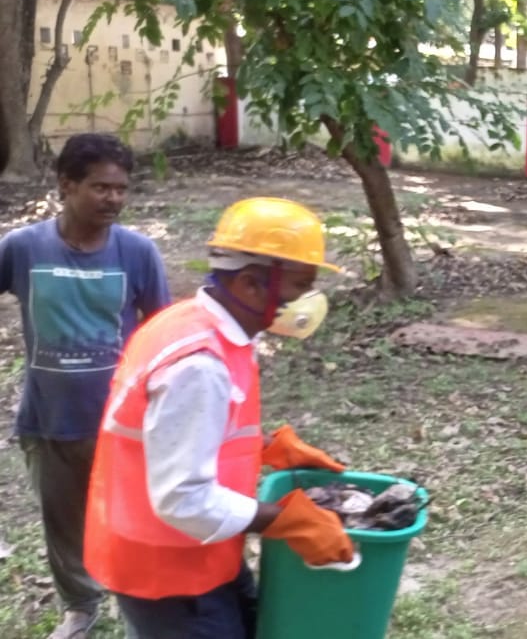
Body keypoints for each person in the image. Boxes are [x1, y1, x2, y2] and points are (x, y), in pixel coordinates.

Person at [83, 197, 355, 639]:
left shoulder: (194, 321)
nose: (307, 300)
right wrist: (286, 519)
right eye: (299, 285)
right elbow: (183, 499)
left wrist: (263, 448)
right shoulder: (199, 365)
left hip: (195, 549)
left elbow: (170, 433)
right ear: (250, 284)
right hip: (168, 567)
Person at [0, 133, 171, 639]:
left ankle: (143, 606)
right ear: (66, 186)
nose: (114, 199)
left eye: (121, 189)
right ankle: (80, 608)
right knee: (63, 524)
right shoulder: (24, 247)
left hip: (120, 421)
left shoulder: (137, 251)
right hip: (48, 418)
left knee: (131, 519)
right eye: (100, 187)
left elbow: (161, 331)